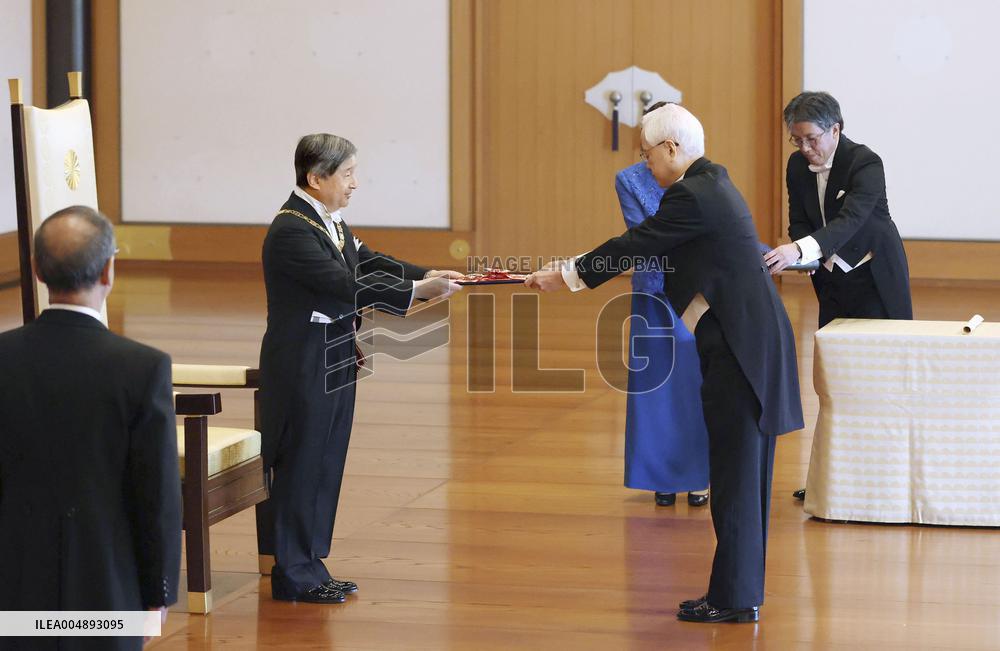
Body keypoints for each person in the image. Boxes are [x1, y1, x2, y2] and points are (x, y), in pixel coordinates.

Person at [527, 104, 803, 623]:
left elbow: (637, 244)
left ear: (671, 149)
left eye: (648, 153)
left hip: (742, 352)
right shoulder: (711, 182)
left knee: (737, 481)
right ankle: (737, 594)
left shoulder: (691, 193)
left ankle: (735, 599)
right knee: (739, 479)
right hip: (747, 344)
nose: (645, 164)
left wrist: (567, 275)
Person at [257, 133, 462, 604]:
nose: (355, 183)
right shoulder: (291, 229)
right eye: (347, 174)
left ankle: (312, 563)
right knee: (301, 462)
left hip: (333, 353)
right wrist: (416, 295)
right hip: (302, 360)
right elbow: (343, 283)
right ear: (316, 178)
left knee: (326, 461)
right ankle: (292, 572)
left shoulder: (327, 221)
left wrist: (425, 275)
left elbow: (368, 261)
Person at [0, 206, 182, 650]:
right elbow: (156, 493)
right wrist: (158, 592)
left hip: (15, 585)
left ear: (37, 270)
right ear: (108, 270)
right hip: (109, 588)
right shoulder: (142, 368)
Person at [764, 91, 912, 501]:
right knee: (836, 382)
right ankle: (835, 477)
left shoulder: (865, 162)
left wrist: (803, 249)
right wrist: (799, 255)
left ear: (835, 128)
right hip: (830, 281)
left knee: (882, 383)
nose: (804, 149)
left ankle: (886, 481)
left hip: (876, 281)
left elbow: (851, 221)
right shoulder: (797, 165)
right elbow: (799, 220)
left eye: (811, 138)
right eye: (797, 140)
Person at [615, 102, 709, 508]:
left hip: (699, 292)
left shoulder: (704, 175)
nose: (647, 156)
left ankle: (701, 474)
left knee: (697, 386)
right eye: (644, 148)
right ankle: (663, 477)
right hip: (654, 289)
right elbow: (647, 234)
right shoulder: (630, 180)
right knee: (656, 389)